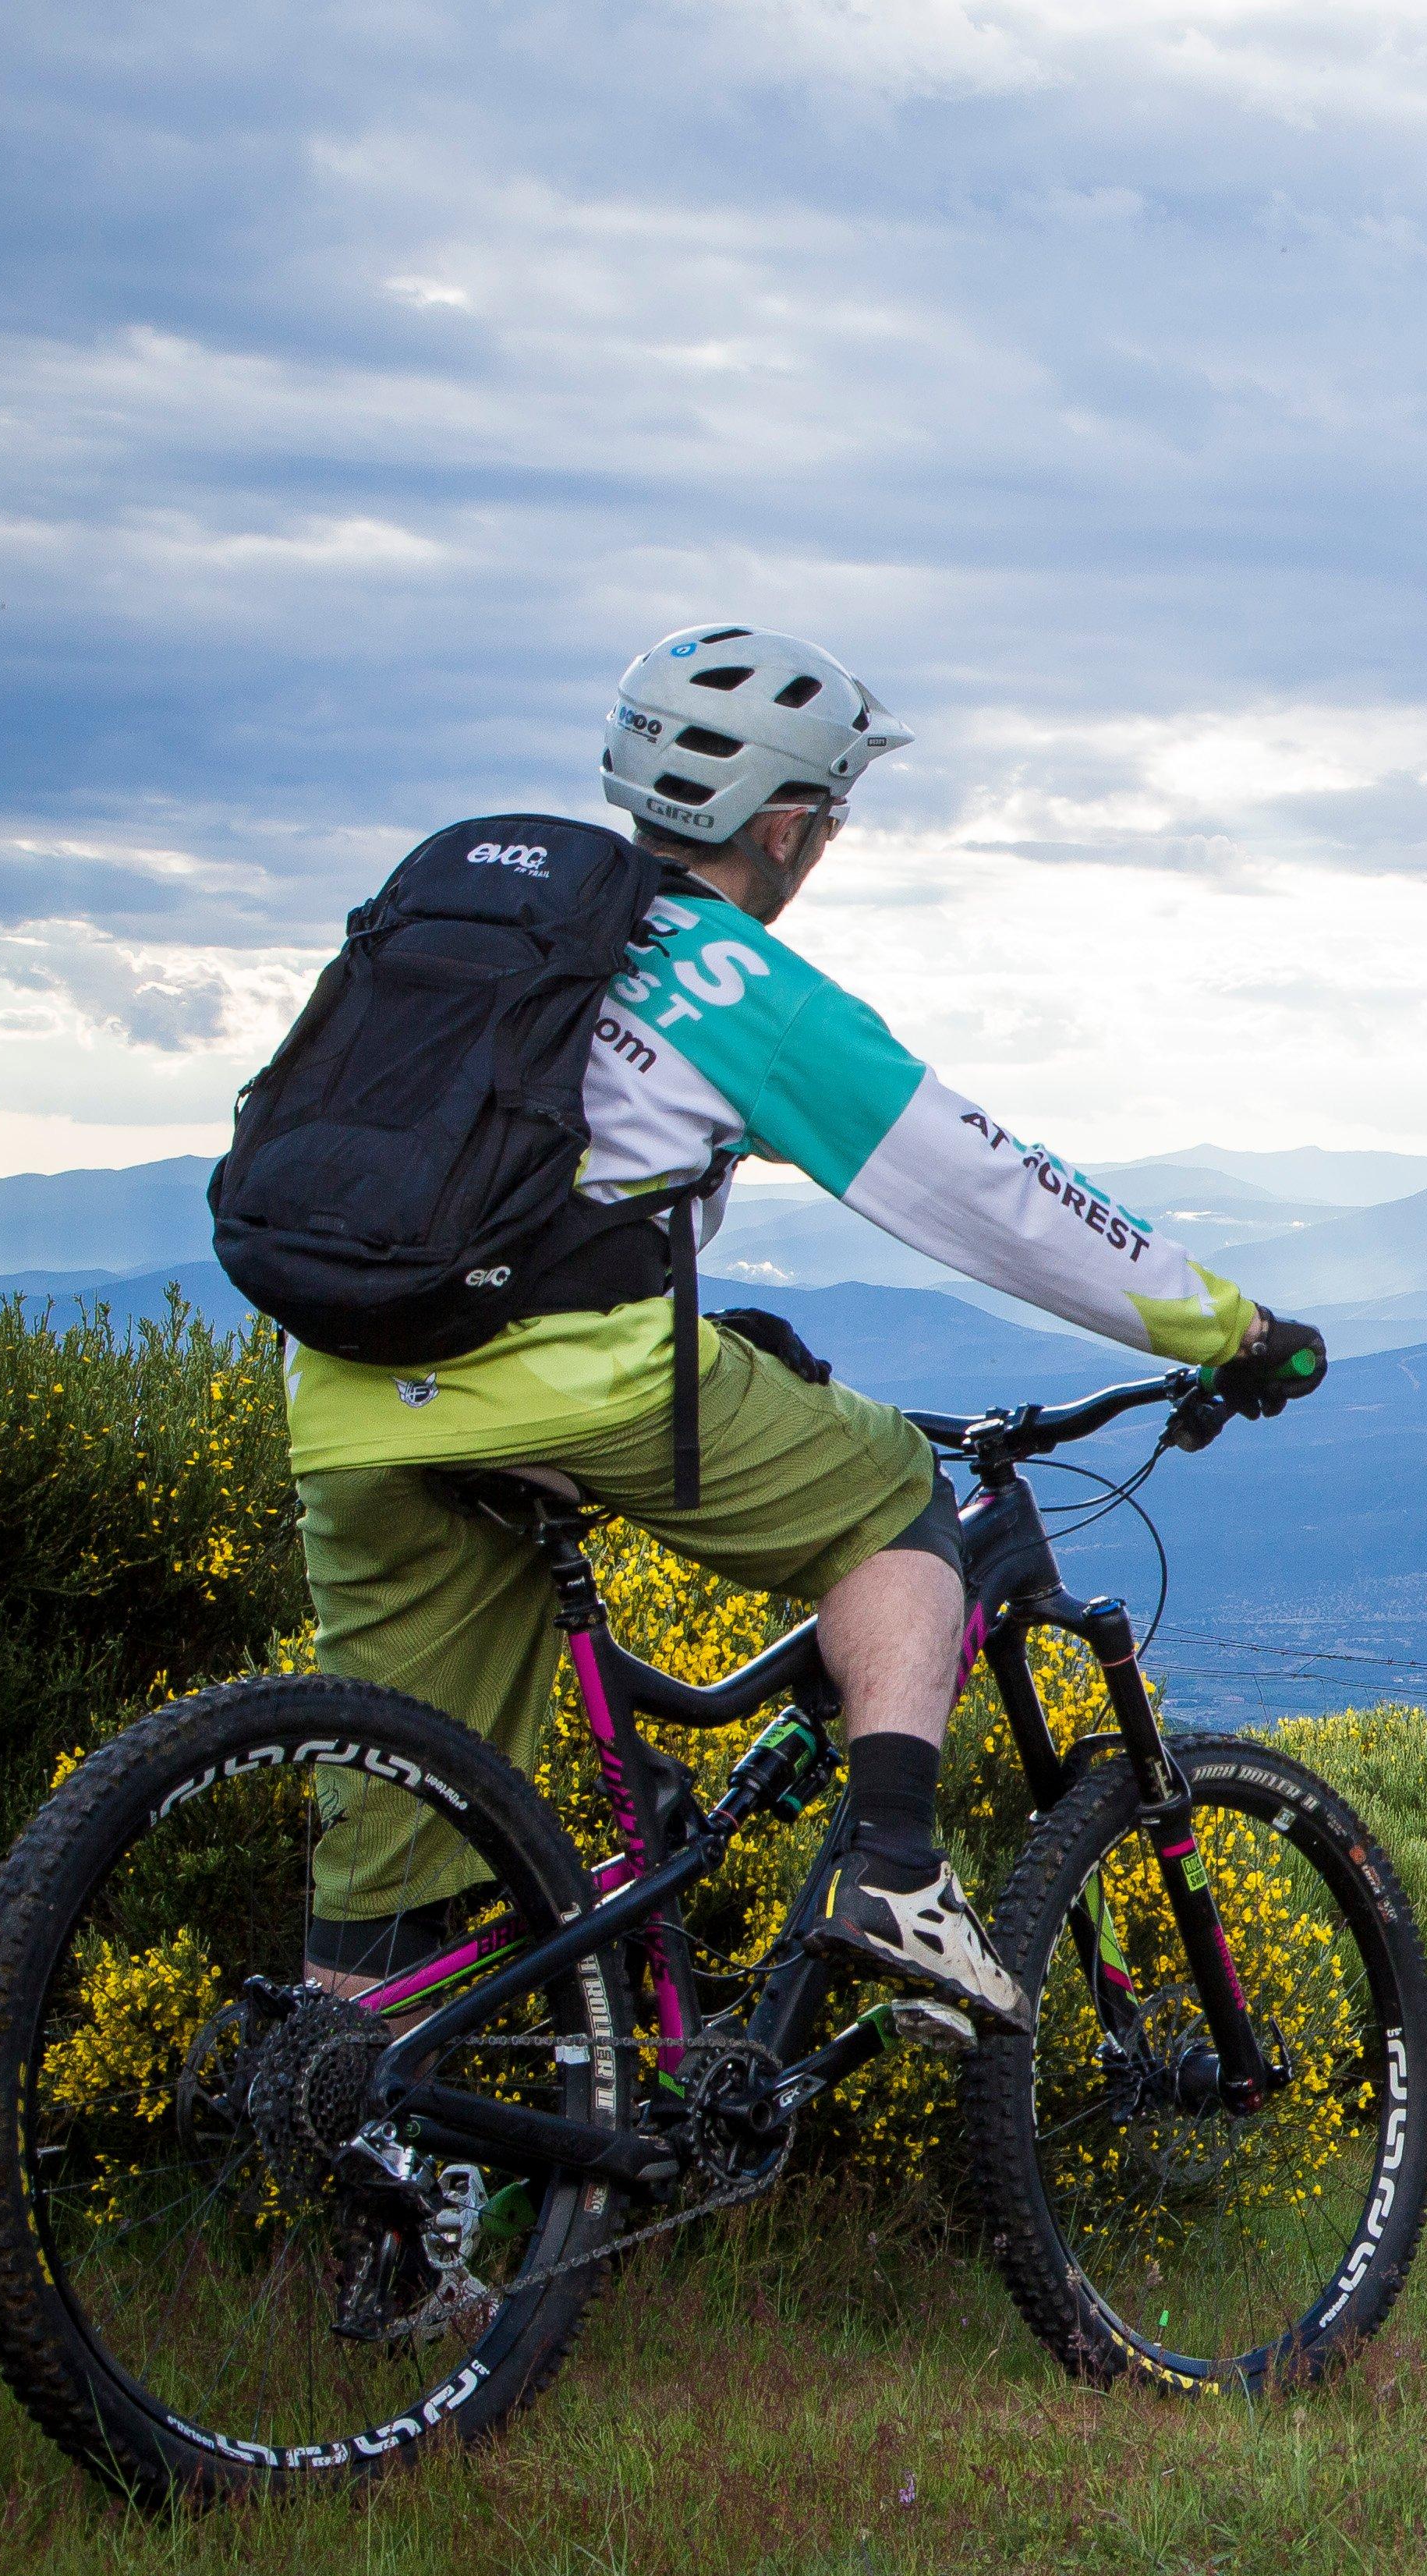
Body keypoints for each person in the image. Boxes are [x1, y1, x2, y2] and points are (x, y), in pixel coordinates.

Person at [289, 626, 1325, 2031]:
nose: (824, 843)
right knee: (897, 1500)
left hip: (348, 1378)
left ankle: (350, 2115)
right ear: (784, 826)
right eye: (830, 817)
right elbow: (994, 1194)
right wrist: (1226, 1328)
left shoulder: (476, 939)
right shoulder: (736, 983)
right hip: (575, 1384)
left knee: (404, 1828)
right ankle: (896, 1867)